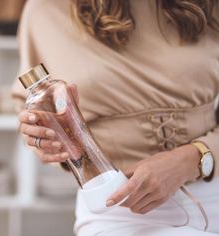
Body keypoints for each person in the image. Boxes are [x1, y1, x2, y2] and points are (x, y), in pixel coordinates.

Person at [12, 0, 219, 235]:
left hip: (212, 196)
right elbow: (31, 108)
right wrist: (41, 137)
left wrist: (191, 159)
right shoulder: (46, 10)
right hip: (116, 207)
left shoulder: (207, 5)